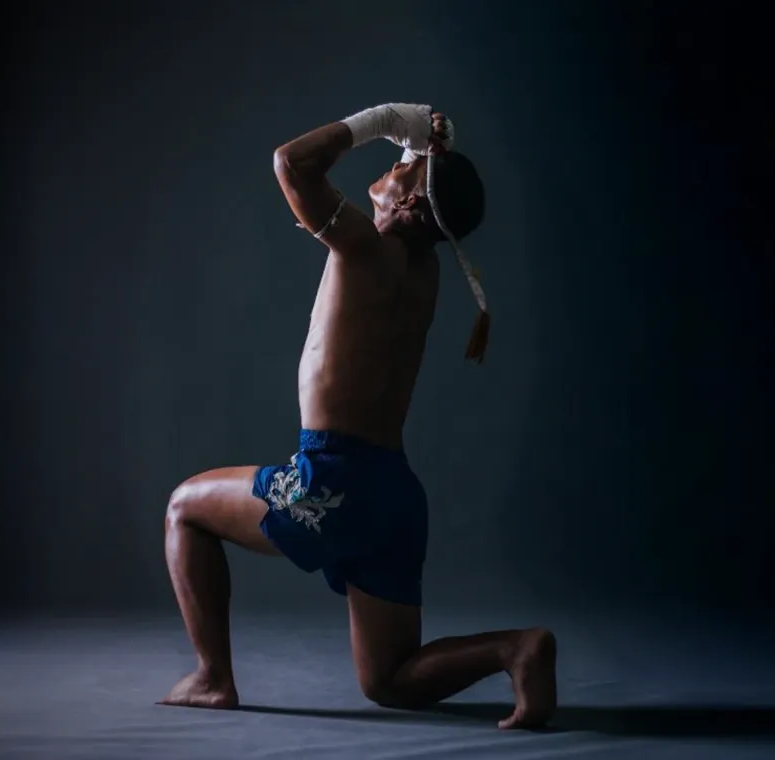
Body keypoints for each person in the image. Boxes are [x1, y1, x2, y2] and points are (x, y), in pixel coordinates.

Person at [159, 103, 557, 729]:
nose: (401, 163)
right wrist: (421, 143)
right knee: (388, 681)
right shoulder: (421, 267)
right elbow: (422, 196)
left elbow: (291, 162)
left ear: (411, 209)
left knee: (185, 507)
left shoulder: (365, 250)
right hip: (393, 494)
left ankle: (213, 678)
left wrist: (386, 117)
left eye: (409, 170)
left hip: (332, 481)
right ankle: (515, 648)